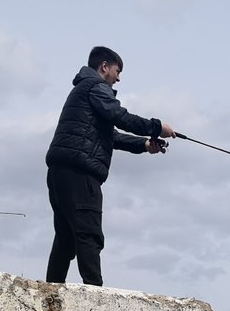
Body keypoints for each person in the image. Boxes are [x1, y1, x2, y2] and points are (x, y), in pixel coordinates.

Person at [44, 46, 175, 285]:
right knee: (89, 234)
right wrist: (157, 127)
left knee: (66, 238)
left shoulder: (83, 90)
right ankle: (95, 294)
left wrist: (145, 144)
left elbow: (109, 136)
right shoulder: (96, 87)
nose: (119, 77)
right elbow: (120, 117)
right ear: (104, 67)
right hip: (81, 172)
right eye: (117, 70)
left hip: (60, 172)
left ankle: (51, 291)